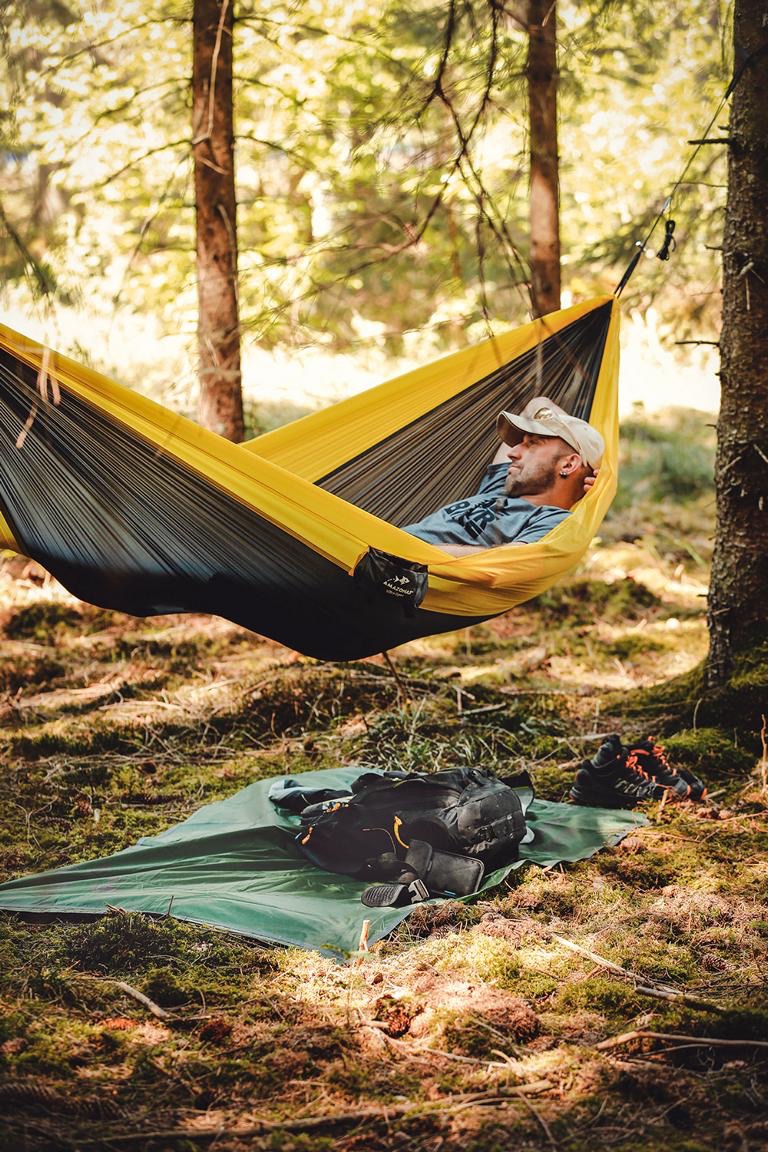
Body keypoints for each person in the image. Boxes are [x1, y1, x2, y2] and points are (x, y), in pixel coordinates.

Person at [404, 396, 605, 557]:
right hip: (381, 553)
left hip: (393, 573)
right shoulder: (502, 486)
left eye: (532, 444)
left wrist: (400, 550)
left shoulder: (555, 521)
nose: (512, 452)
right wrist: (602, 467)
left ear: (569, 464)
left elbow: (505, 562)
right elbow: (537, 404)